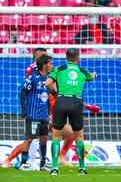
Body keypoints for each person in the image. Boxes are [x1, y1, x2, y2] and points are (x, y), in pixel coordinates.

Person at [46, 48, 97, 176]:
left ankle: (54, 168)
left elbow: (47, 83)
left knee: (56, 136)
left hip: (61, 101)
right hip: (76, 102)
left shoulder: (59, 69)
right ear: (78, 57)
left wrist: (56, 92)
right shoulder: (82, 70)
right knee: (79, 136)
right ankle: (82, 168)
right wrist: (94, 75)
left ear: (66, 57)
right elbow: (91, 77)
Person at [17, 55, 52, 171]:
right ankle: (23, 163)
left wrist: (49, 113)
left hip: (43, 115)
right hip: (33, 114)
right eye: (50, 63)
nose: (51, 65)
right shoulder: (32, 78)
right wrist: (24, 110)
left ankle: (42, 164)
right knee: (29, 138)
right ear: (44, 65)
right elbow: (22, 93)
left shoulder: (49, 79)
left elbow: (47, 97)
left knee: (44, 138)